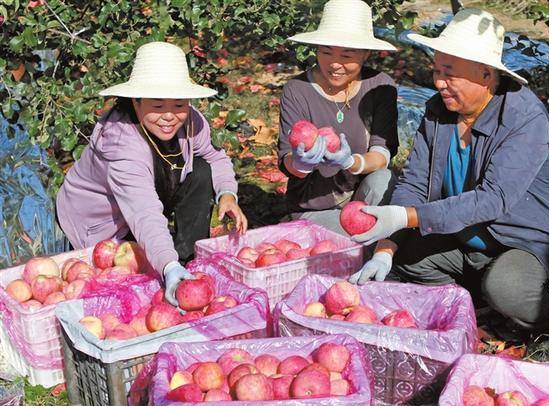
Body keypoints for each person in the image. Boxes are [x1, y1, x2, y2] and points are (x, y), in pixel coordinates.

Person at [348, 9, 549, 335]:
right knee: (404, 260)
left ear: (486, 75)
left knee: (509, 288)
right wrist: (386, 249)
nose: (438, 83)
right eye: (436, 71)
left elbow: (493, 199)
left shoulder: (524, 117)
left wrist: (405, 217)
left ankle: (545, 318)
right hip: (466, 240)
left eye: (449, 74)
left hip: (526, 241)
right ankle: (475, 300)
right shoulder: (438, 111)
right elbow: (414, 181)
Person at [56, 41, 247, 306]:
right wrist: (167, 265)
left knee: (202, 170)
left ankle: (187, 263)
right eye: (157, 106)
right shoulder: (122, 144)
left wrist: (227, 193)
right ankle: (171, 267)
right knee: (125, 287)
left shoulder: (192, 121)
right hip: (102, 222)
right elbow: (144, 212)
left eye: (179, 104)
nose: (169, 116)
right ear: (136, 101)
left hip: (149, 193)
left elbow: (215, 157)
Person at [278, 0, 399, 235]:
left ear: (365, 54)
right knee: (358, 241)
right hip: (313, 208)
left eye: (346, 55)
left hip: (361, 197)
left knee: (384, 180)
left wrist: (351, 162)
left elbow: (382, 155)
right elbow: (287, 159)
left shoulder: (380, 86)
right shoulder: (297, 90)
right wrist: (300, 164)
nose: (334, 64)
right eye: (325, 52)